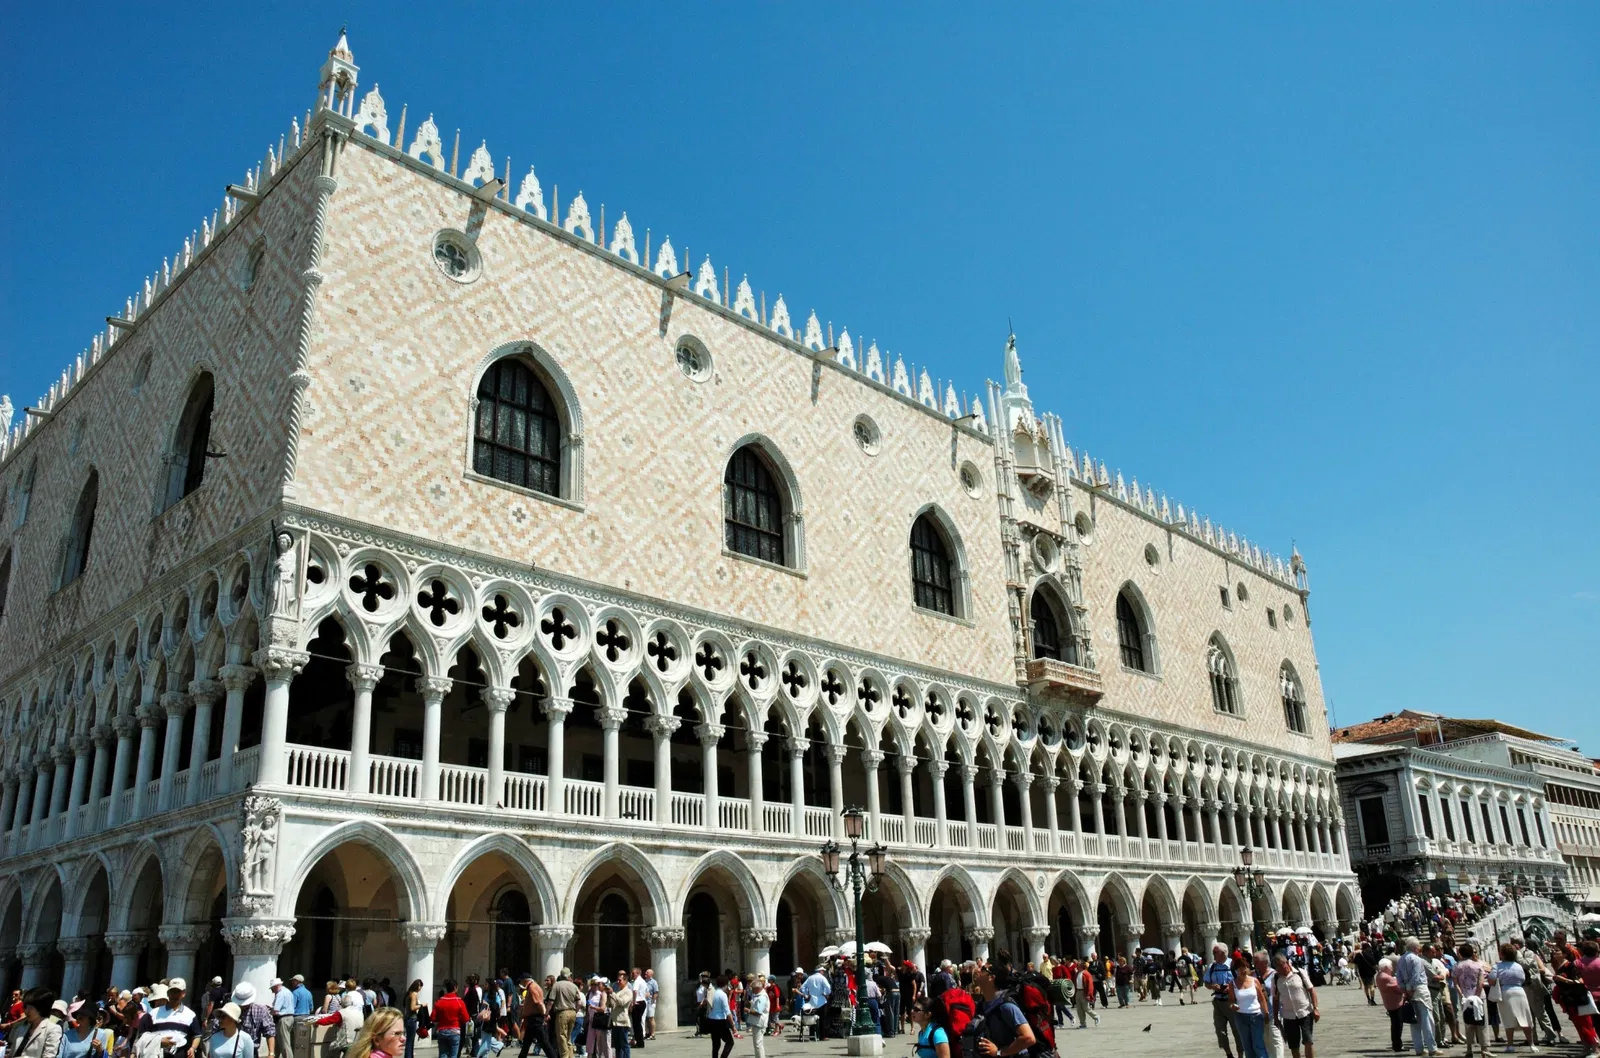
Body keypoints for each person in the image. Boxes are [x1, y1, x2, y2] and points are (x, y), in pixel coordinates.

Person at [962, 962, 1035, 1058]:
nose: (978, 970)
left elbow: (1028, 1038)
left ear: (991, 977)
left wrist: (1000, 1052)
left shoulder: (1006, 1006)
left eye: (983, 969)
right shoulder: (982, 1004)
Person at [1490, 943, 1538, 1053]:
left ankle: (1510, 1045)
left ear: (1502, 954)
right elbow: (1522, 978)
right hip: (1520, 991)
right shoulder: (1518, 966)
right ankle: (1531, 1044)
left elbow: (1492, 980)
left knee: (1508, 1019)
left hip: (1506, 992)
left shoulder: (1497, 966)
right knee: (1525, 1017)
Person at [1395, 937, 1438, 1056]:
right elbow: (1416, 976)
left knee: (1414, 1021)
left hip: (1408, 990)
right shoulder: (1416, 959)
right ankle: (1432, 1047)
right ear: (1415, 948)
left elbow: (1398, 976)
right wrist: (1411, 988)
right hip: (1419, 989)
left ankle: (1419, 1048)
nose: (1420, 948)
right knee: (1427, 1018)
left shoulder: (1401, 959)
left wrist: (1404, 989)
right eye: (1419, 946)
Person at [1273, 952, 1319, 1058]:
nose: (1280, 970)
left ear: (1286, 963)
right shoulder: (1276, 978)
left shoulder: (1300, 973)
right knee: (1294, 1046)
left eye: (1281, 966)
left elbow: (1311, 990)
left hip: (1305, 1012)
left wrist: (1315, 1008)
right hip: (1288, 1016)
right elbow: (1275, 999)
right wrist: (1275, 1017)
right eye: (1277, 968)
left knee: (1308, 1041)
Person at [1205, 943, 1243, 1058]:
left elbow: (1243, 981)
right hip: (1218, 1002)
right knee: (1220, 1030)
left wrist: (1230, 988)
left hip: (1231, 1001)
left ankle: (1240, 1054)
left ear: (1222, 953)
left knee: (1237, 1030)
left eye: (1215, 952)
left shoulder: (1233, 965)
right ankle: (1229, 1054)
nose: (1213, 954)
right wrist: (1212, 986)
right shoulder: (1212, 967)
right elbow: (1206, 982)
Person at [1453, 944, 1490, 1058]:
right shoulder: (1478, 965)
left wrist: (1462, 995)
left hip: (1465, 998)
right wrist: (1477, 996)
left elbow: (1456, 984)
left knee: (1468, 1023)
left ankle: (1469, 1048)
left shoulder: (1456, 966)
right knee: (1482, 1023)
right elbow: (1481, 983)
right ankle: (1484, 1048)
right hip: (1479, 997)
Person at [1227, 958, 1269, 1058]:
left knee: (1258, 1044)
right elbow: (1231, 1000)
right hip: (1241, 1017)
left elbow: (1261, 999)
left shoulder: (1255, 981)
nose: (1243, 970)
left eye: (1245, 967)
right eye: (1240, 968)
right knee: (1247, 1046)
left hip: (1256, 1016)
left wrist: (1266, 1012)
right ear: (1236, 970)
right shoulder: (1232, 984)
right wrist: (1232, 1006)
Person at [230, 984, 276, 1058]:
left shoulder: (261, 1010)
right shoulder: (228, 1010)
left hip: (251, 1052)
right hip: (230, 1050)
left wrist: (271, 1053)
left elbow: (270, 1031)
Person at [431, 983, 470, 1058]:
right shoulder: (459, 1002)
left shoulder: (439, 1001)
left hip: (442, 1030)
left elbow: (433, 1018)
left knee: (442, 1054)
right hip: (454, 1031)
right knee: (453, 1055)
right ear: (455, 988)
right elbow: (466, 1018)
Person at [547, 974, 580, 1058]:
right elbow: (579, 1002)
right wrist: (575, 1012)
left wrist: (546, 1013)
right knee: (568, 1037)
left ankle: (564, 1056)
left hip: (562, 1012)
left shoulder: (556, 985)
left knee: (562, 1036)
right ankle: (571, 1056)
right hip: (572, 1012)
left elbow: (551, 1001)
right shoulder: (574, 986)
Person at [704, 977, 733, 1058]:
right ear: (725, 985)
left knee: (716, 1044)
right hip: (720, 1021)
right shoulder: (723, 995)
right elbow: (727, 1011)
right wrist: (733, 1026)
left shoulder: (714, 993)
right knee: (730, 1042)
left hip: (711, 1019)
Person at [743, 975, 768, 1058]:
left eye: (753, 989)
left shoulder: (762, 997)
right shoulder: (758, 995)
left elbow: (758, 1012)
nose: (752, 991)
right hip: (756, 1022)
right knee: (757, 1044)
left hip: (759, 1022)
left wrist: (748, 1010)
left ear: (757, 988)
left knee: (758, 1044)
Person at [269, 981, 295, 1058]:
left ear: (276, 986)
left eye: (272, 988)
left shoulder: (280, 994)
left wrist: (269, 1012)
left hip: (283, 1018)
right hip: (289, 1017)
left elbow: (276, 1010)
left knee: (284, 1042)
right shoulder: (288, 992)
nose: (272, 990)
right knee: (279, 1041)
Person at [1072, 957, 1098, 1028]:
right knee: (1079, 1009)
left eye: (1078, 965)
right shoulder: (1077, 973)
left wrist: (1089, 994)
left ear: (1082, 966)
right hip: (1078, 992)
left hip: (1084, 992)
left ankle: (1096, 1017)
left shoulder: (1086, 974)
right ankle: (1082, 1023)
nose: (1077, 966)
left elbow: (1090, 985)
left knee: (1086, 1008)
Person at [609, 975, 631, 1058]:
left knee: (624, 1044)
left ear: (625, 981)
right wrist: (608, 996)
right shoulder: (618, 992)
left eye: (620, 980)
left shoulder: (628, 991)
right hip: (615, 1021)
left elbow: (622, 1002)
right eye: (617, 980)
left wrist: (612, 993)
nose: (618, 982)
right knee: (617, 1045)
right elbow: (612, 1005)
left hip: (622, 1021)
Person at [401, 982, 423, 1058]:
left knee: (409, 1040)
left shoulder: (409, 993)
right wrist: (422, 1005)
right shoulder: (414, 994)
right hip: (412, 1019)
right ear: (417, 986)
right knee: (410, 1041)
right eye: (420, 986)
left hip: (408, 1018)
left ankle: (409, 1055)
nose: (420, 988)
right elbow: (413, 1007)